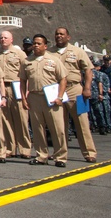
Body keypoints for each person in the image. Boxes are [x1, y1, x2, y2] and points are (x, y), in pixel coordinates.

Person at [21, 34, 68, 167]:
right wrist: (24, 98)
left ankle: (60, 157)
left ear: (45, 46)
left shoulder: (54, 60)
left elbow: (63, 79)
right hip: (34, 97)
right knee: (37, 128)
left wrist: (60, 97)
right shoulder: (27, 61)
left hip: (51, 97)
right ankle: (41, 156)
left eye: (38, 43)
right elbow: (23, 81)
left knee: (58, 129)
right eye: (34, 43)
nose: (35, 45)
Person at [53, 27, 97, 162]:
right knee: (59, 124)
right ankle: (60, 154)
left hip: (75, 89)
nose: (59, 36)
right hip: (57, 90)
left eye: (62, 34)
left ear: (68, 37)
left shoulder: (78, 51)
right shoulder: (49, 52)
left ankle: (89, 153)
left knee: (82, 122)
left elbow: (88, 70)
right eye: (57, 34)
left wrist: (87, 88)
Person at [0, 30, 31, 158]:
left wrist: (26, 91)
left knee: (21, 118)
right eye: (1, 37)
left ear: (11, 39)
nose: (2, 39)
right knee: (5, 119)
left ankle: (25, 149)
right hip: (2, 88)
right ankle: (10, 148)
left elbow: (27, 72)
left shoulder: (19, 54)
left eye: (5, 37)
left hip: (17, 87)